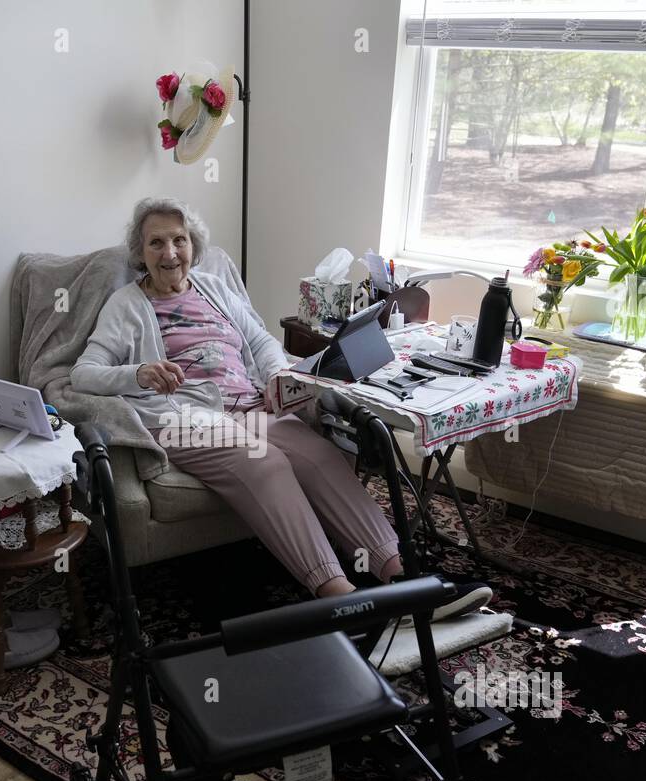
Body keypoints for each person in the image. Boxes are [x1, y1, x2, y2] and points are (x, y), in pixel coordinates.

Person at [72, 197, 490, 614]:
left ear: (192, 245)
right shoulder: (126, 305)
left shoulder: (212, 288)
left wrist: (277, 375)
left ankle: (403, 576)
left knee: (319, 454)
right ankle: (340, 597)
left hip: (251, 405)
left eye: (178, 240)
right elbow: (83, 373)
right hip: (184, 417)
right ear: (140, 253)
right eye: (156, 243)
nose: (169, 253)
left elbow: (259, 339)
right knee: (265, 461)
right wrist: (139, 373)